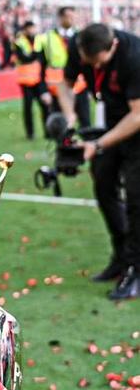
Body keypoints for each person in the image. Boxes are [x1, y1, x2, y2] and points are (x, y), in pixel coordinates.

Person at [57, 23, 140, 300]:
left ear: (112, 47)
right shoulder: (79, 46)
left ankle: (136, 269)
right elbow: (65, 85)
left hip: (136, 124)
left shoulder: (133, 56)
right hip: (111, 123)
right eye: (87, 61)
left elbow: (137, 115)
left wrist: (98, 144)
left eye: (97, 63)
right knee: (103, 186)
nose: (92, 66)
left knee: (136, 198)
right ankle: (121, 257)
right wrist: (69, 116)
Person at [36, 7, 90, 127]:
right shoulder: (47, 38)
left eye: (73, 16)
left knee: (85, 123)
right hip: (56, 89)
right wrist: (43, 90)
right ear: (60, 18)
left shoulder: (81, 36)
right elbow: (41, 66)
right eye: (68, 16)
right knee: (60, 125)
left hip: (79, 87)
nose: (72, 19)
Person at [13, 20, 51, 139]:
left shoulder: (39, 40)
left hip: (38, 79)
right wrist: (35, 55)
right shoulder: (19, 42)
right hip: (26, 81)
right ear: (25, 30)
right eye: (29, 28)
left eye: (33, 28)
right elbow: (24, 58)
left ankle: (48, 131)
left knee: (44, 106)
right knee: (28, 107)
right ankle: (30, 133)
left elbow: (43, 59)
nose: (32, 30)